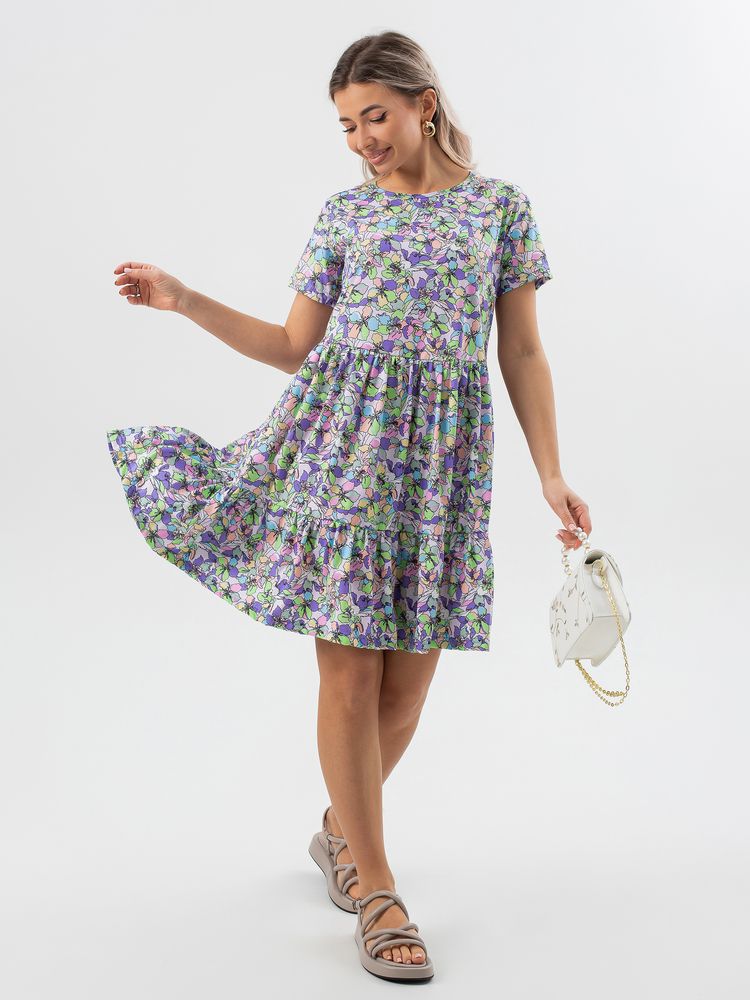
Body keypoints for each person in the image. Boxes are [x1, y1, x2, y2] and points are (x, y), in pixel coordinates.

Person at [106, 29, 591, 983]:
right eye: (346, 125)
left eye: (376, 117)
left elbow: (522, 351)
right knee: (351, 679)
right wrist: (185, 299)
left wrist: (550, 472)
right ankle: (377, 892)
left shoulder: (499, 209)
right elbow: (294, 346)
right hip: (341, 455)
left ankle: (340, 834)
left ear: (424, 105)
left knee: (406, 693)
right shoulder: (345, 215)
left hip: (441, 470)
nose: (363, 139)